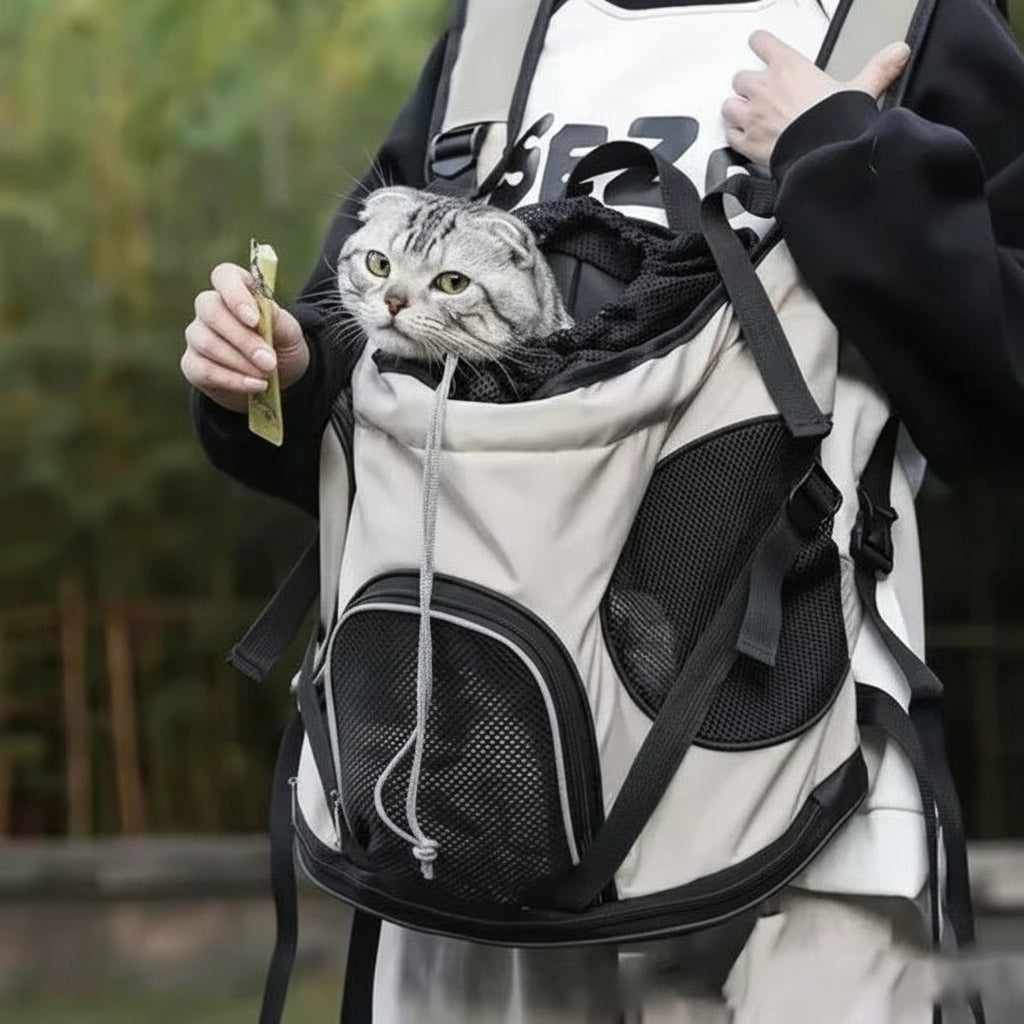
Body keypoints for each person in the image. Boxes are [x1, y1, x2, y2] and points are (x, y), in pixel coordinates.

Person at [182, 0, 1024, 1020]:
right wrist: (265, 378)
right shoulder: (497, 35)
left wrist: (839, 152)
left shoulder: (903, 20)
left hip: (796, 800)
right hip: (478, 798)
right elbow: (364, 412)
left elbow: (999, 387)